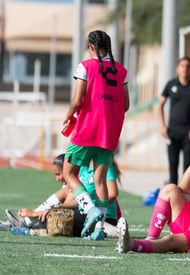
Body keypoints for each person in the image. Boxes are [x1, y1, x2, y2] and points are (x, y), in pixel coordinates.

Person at [62, 30, 129, 240]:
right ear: (109, 47)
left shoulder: (85, 66)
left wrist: (67, 115)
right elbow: (126, 105)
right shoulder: (122, 71)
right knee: (100, 180)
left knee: (69, 173)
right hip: (110, 133)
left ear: (91, 47)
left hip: (87, 130)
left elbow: (77, 100)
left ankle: (90, 210)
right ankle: (98, 228)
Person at [0, 154, 122, 239]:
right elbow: (76, 200)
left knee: (59, 220)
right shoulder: (82, 169)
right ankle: (25, 222)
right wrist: (55, 208)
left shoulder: (105, 166)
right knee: (56, 213)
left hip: (104, 218)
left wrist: (93, 208)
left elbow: (113, 193)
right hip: (85, 213)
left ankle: (28, 227)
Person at [158, 56, 190, 185]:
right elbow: (160, 104)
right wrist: (162, 125)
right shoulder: (171, 85)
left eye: (187, 66)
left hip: (189, 133)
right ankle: (173, 195)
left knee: (188, 165)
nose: (185, 69)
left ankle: (186, 196)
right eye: (182, 66)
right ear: (177, 69)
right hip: (173, 132)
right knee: (173, 163)